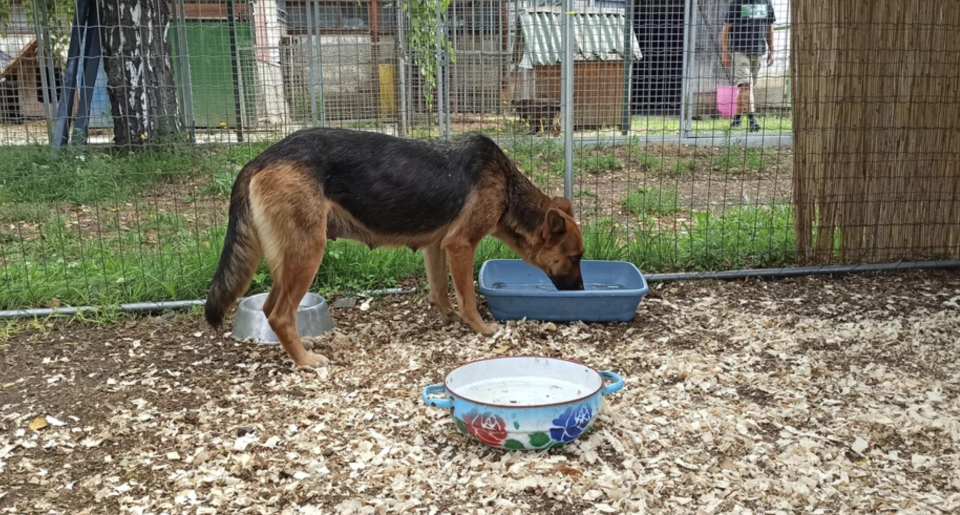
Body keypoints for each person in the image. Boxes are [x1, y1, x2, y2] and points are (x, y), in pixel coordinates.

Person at [721, 0, 775, 132]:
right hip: (739, 50)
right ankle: (753, 120)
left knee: (747, 87)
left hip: (758, 51)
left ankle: (737, 119)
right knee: (746, 85)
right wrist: (724, 52)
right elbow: (726, 29)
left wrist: (772, 50)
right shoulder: (736, 3)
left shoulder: (766, 3)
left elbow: (769, 28)